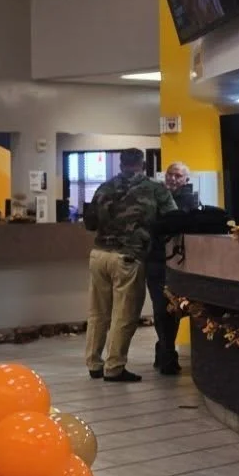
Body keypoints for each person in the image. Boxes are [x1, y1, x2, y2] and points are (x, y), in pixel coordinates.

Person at [82, 149, 175, 382]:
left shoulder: (104, 187)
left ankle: (94, 363)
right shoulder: (155, 189)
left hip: (98, 255)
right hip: (128, 258)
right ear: (142, 164)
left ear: (121, 163)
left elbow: (90, 223)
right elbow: (173, 220)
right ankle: (114, 367)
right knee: (124, 315)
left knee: (98, 313)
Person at [147, 163, 203, 375]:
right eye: (170, 174)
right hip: (155, 260)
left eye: (178, 175)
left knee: (172, 310)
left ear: (186, 180)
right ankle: (166, 352)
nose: (172, 178)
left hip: (176, 262)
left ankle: (165, 351)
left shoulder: (189, 201)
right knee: (161, 309)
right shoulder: (156, 196)